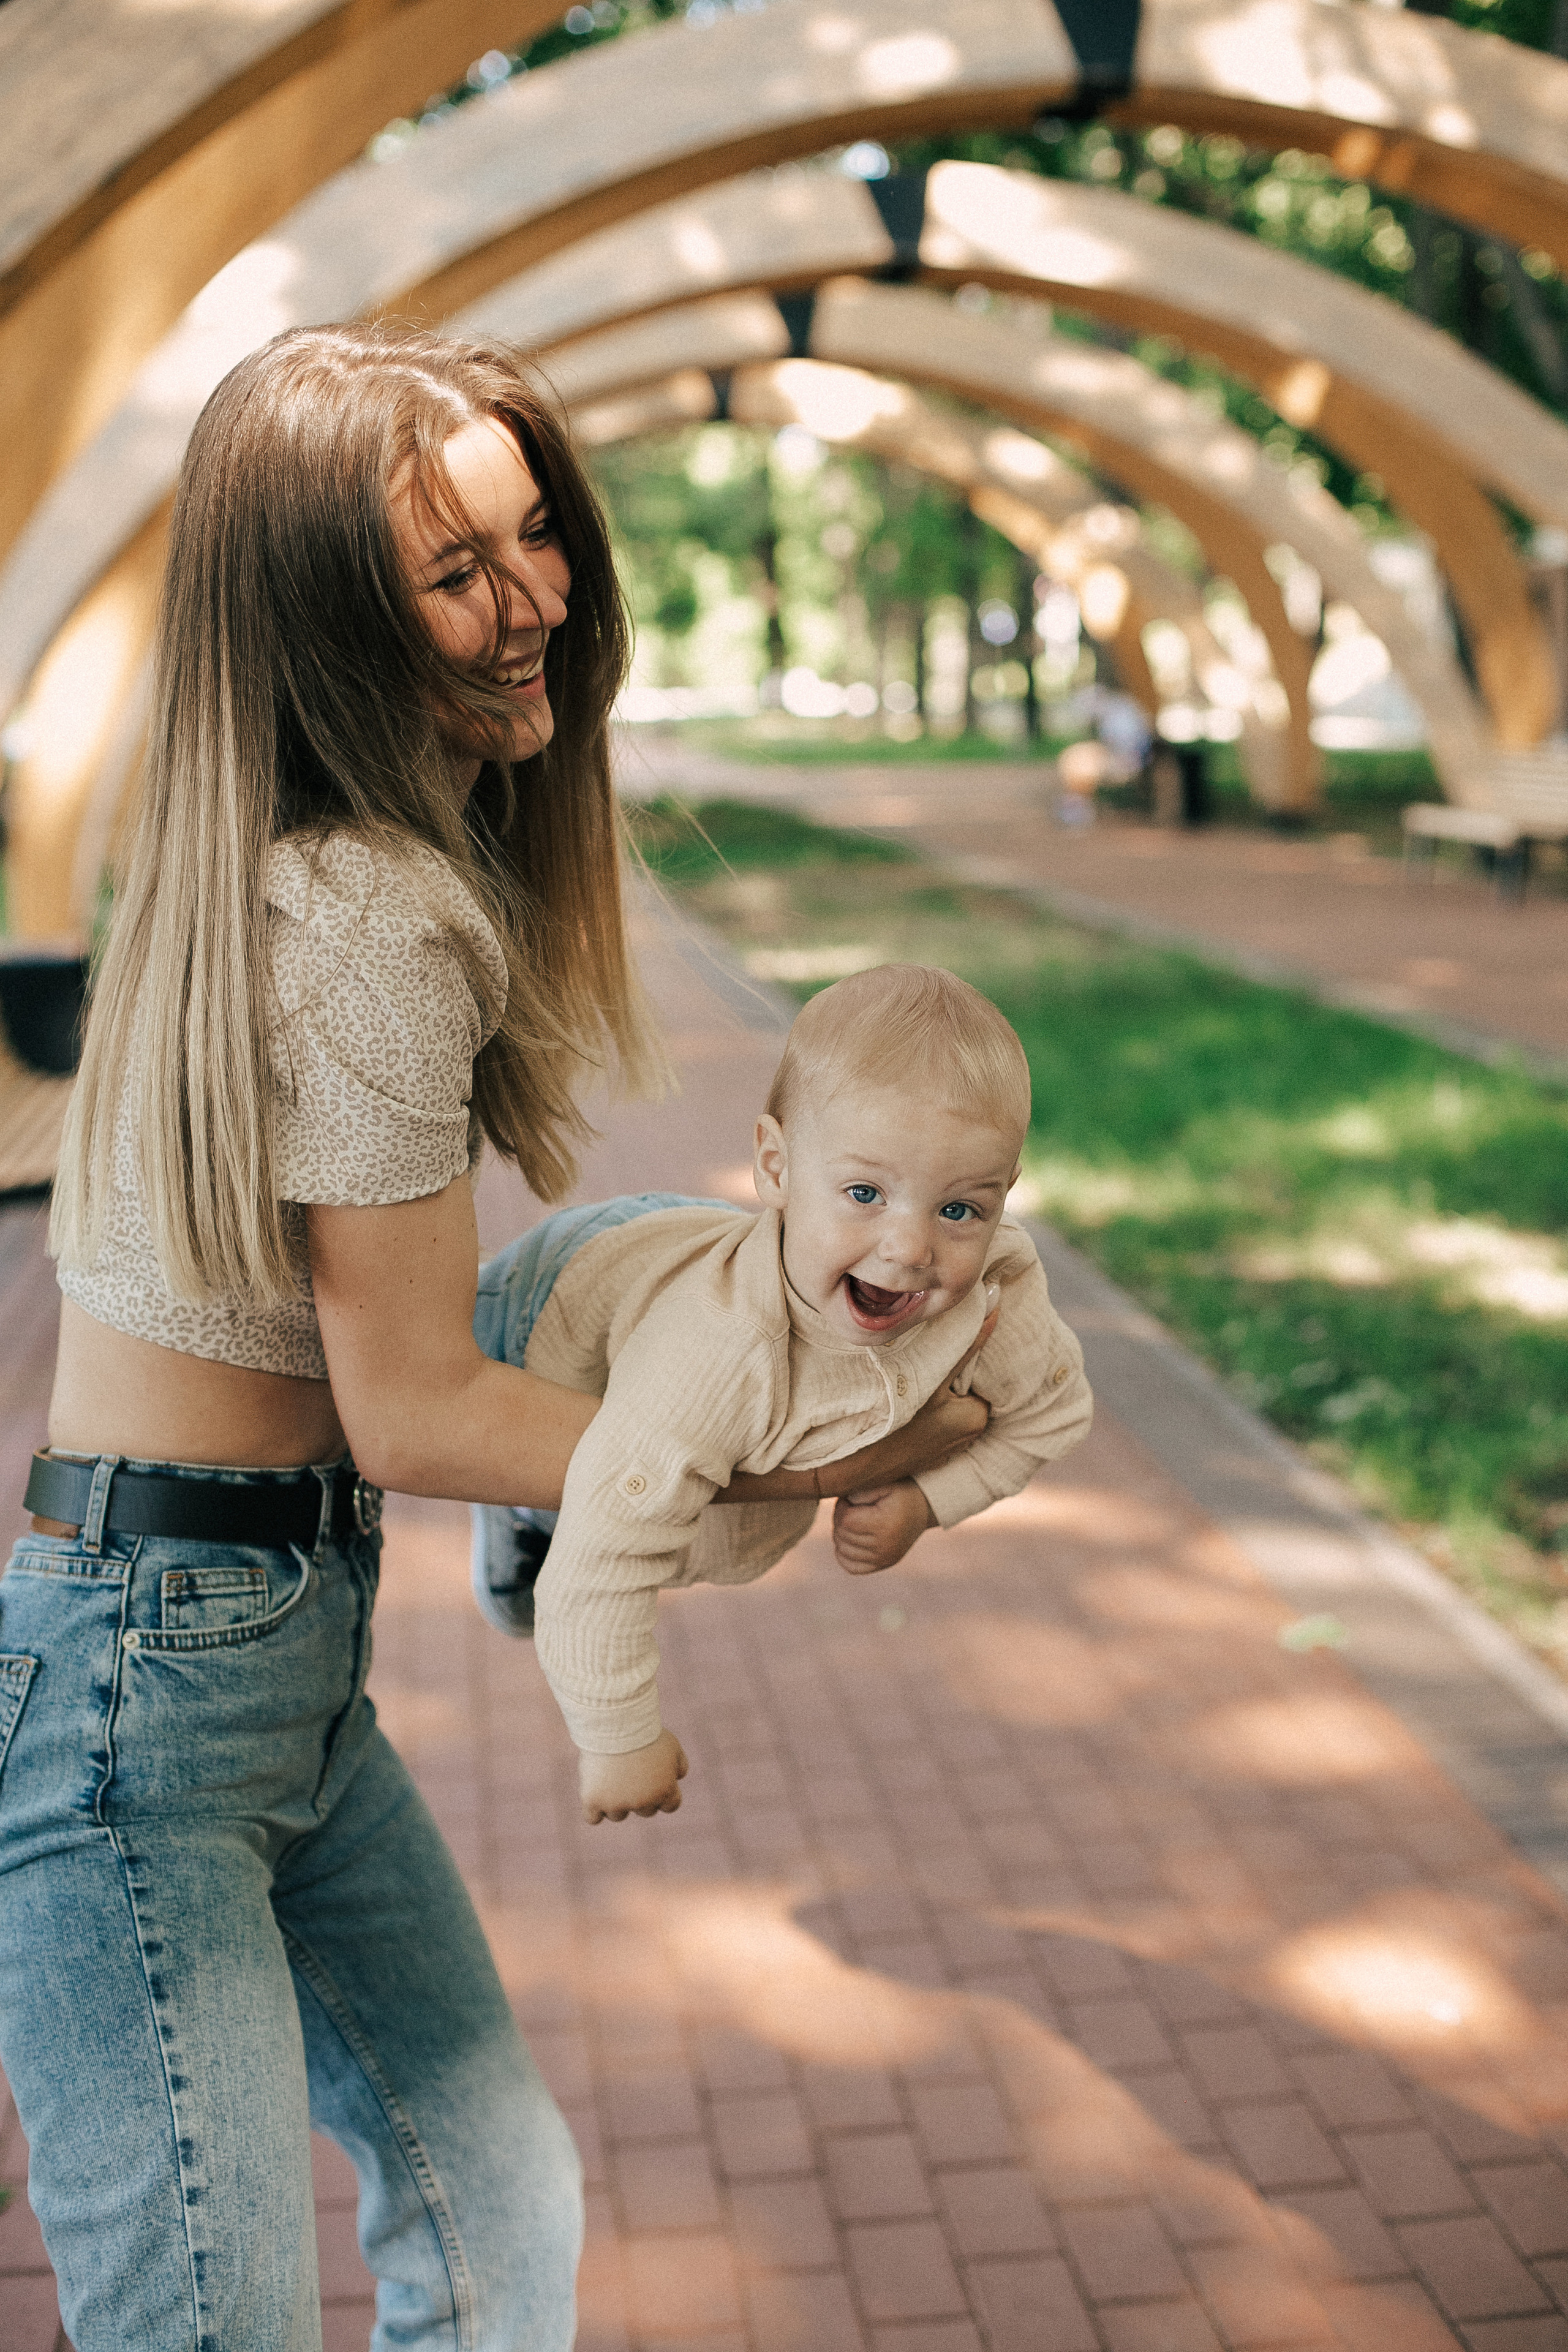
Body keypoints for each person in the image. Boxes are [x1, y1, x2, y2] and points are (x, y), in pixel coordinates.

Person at [0, 323, 990, 2352]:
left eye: (536, 533)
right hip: (142, 1707)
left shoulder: (297, 866)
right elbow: (413, 1406)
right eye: (461, 570)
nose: (535, 595)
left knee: (495, 2198)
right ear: (333, 623)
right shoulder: (365, 916)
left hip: (250, 1658)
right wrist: (811, 1459)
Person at [468, 964, 1093, 1827]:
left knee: (654, 1485)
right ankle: (510, 1532)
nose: (910, 1247)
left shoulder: (994, 1293)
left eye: (960, 1210)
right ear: (774, 1167)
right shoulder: (711, 1357)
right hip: (550, 1311)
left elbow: (1054, 1414)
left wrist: (926, 1501)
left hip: (714, 1251)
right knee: (570, 1508)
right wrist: (619, 1738)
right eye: (865, 1194)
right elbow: (604, 1560)